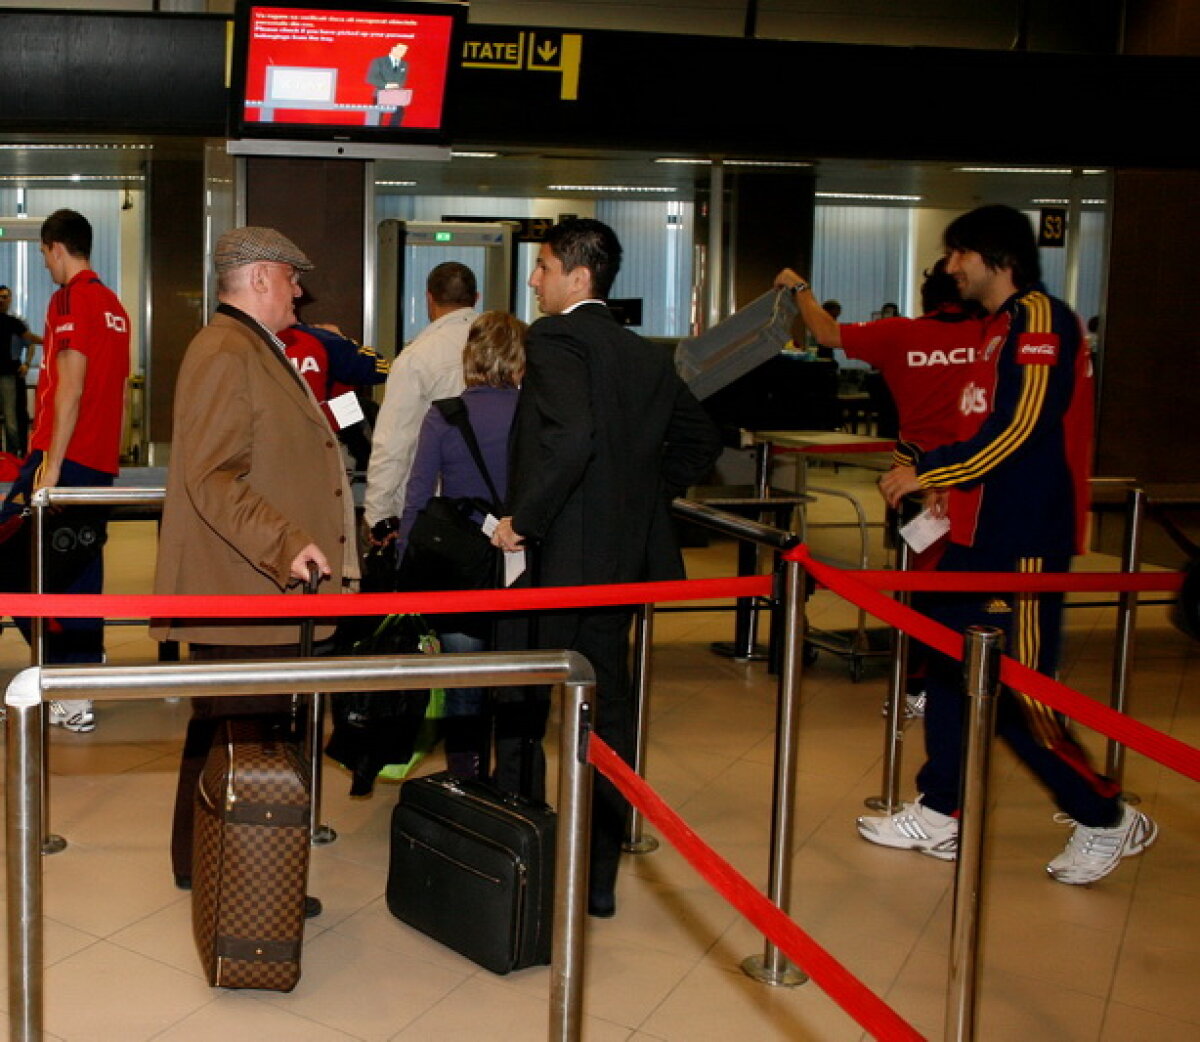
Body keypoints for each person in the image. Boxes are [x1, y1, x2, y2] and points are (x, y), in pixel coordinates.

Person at [862, 204, 1157, 885]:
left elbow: (1021, 428)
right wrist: (944, 484)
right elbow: (981, 424)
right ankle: (942, 809)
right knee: (944, 664)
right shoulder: (994, 329)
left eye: (959, 253)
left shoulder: (1042, 319)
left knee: (1020, 692)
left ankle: (1105, 814)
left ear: (995, 256)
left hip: (1022, 541)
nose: (949, 267)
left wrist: (932, 471)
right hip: (974, 532)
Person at [491, 218, 722, 917]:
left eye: (543, 267)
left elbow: (571, 443)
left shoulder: (556, 338)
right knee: (606, 717)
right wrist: (642, 499)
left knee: (525, 703)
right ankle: (597, 879)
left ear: (578, 277)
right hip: (621, 565)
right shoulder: (643, 352)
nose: (534, 280)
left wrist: (522, 522)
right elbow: (699, 439)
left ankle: (522, 852)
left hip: (557, 560)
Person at [151, 226, 355, 899]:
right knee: (247, 744)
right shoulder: (225, 351)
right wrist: (283, 544)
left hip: (252, 596)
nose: (300, 293)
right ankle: (246, 883)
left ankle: (203, 865)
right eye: (292, 279)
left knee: (225, 739)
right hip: (246, 594)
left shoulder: (247, 347)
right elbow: (212, 476)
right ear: (263, 278)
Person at [775, 258, 987, 716]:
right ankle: (975, 683)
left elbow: (827, 333)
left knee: (917, 587)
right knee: (975, 586)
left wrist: (799, 289)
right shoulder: (990, 339)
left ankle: (916, 688)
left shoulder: (901, 333)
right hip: (978, 478)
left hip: (913, 478)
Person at [0, 211, 130, 733]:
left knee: (16, 564)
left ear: (57, 248)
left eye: (44, 255)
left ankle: (64, 677)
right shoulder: (115, 305)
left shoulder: (71, 298)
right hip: (96, 460)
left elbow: (71, 386)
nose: (47, 266)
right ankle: (81, 675)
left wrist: (50, 465)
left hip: (64, 457)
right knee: (79, 567)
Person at [396, 311, 527, 780]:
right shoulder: (536, 415)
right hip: (523, 566)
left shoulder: (444, 414)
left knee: (463, 687)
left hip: (458, 567)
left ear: (470, 357)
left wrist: (404, 565)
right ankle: (515, 784)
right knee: (519, 684)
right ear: (519, 359)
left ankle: (466, 783)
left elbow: (416, 496)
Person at [364, 261, 478, 548]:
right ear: (475, 299)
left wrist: (378, 514)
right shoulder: (505, 347)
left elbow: (394, 442)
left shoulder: (417, 357)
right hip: (496, 504)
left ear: (429, 298)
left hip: (434, 508)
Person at [0, 284, 42, 455]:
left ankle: (13, 453)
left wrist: (27, 363)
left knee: (12, 417)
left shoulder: (15, 321)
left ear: (10, 299)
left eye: (4, 297)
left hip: (9, 375)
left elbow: (30, 340)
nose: (1, 300)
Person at [366, 41, 409, 126]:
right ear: (393, 49)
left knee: (399, 114)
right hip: (380, 94)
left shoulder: (404, 64)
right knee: (377, 117)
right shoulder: (379, 61)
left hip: (397, 95)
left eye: (404, 51)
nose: (402, 52)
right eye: (400, 49)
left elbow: (403, 80)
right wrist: (386, 85)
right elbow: (370, 78)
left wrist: (397, 87)